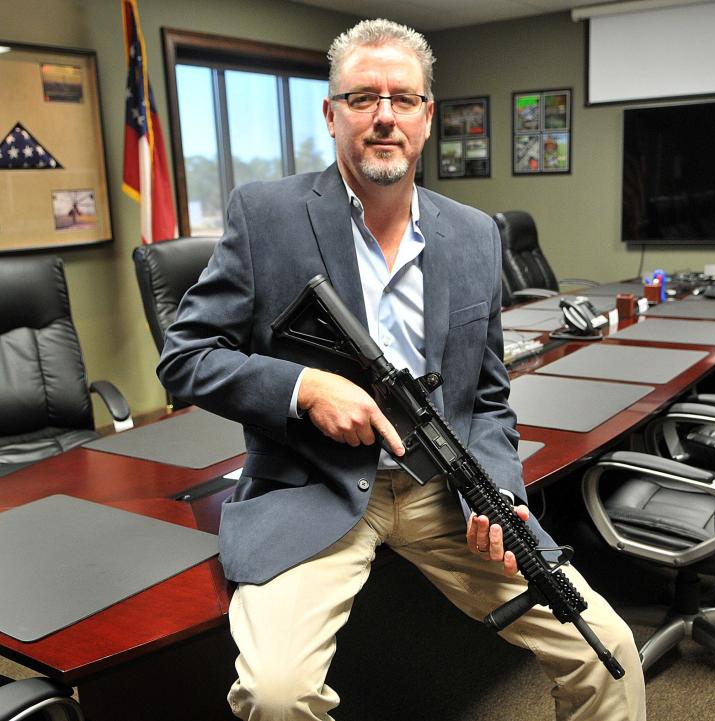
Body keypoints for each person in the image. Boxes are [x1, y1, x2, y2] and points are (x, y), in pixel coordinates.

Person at [158, 18, 644, 721]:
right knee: (276, 694)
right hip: (311, 489)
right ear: (331, 115)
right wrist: (302, 388)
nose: (384, 115)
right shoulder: (266, 217)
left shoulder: (477, 235)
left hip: (447, 495)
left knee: (610, 649)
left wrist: (500, 493)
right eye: (362, 98)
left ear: (426, 116)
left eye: (402, 98)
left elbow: (488, 397)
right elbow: (184, 356)